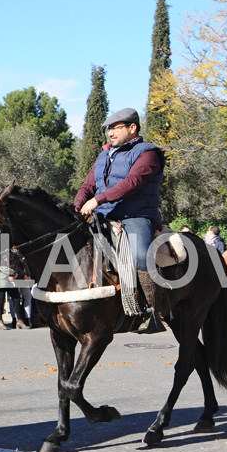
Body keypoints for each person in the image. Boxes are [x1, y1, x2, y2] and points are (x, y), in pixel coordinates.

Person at [73, 108, 166, 333]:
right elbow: (88, 185)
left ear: (132, 128)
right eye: (109, 129)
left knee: (141, 256)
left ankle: (154, 313)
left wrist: (97, 200)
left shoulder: (148, 153)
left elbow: (132, 182)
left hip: (136, 215)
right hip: (104, 216)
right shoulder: (104, 154)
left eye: (116, 128)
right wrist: (77, 205)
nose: (111, 133)